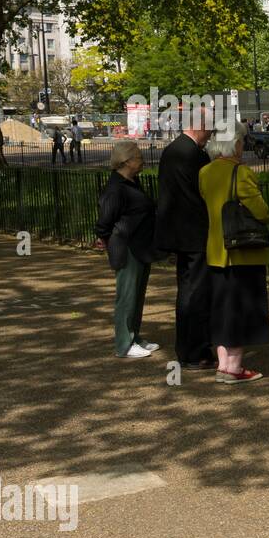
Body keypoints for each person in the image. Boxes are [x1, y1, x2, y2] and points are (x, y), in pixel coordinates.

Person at [199, 122, 269, 383]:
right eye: (241, 141)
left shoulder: (205, 172)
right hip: (242, 252)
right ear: (235, 143)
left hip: (216, 250)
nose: (243, 146)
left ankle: (223, 364)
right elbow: (261, 211)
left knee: (221, 309)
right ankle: (235, 367)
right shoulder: (241, 173)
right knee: (242, 309)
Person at [155, 107, 215, 372]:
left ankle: (188, 349)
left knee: (187, 290)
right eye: (210, 128)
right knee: (196, 294)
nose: (211, 134)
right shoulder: (196, 156)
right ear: (200, 126)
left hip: (178, 232)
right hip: (197, 233)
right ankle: (195, 352)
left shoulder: (172, 151)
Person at [95, 141, 160, 358]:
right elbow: (104, 223)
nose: (142, 161)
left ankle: (134, 335)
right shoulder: (116, 188)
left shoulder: (132, 182)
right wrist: (110, 241)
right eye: (139, 158)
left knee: (137, 295)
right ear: (127, 161)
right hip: (127, 247)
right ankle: (124, 343)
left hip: (141, 246)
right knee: (127, 296)